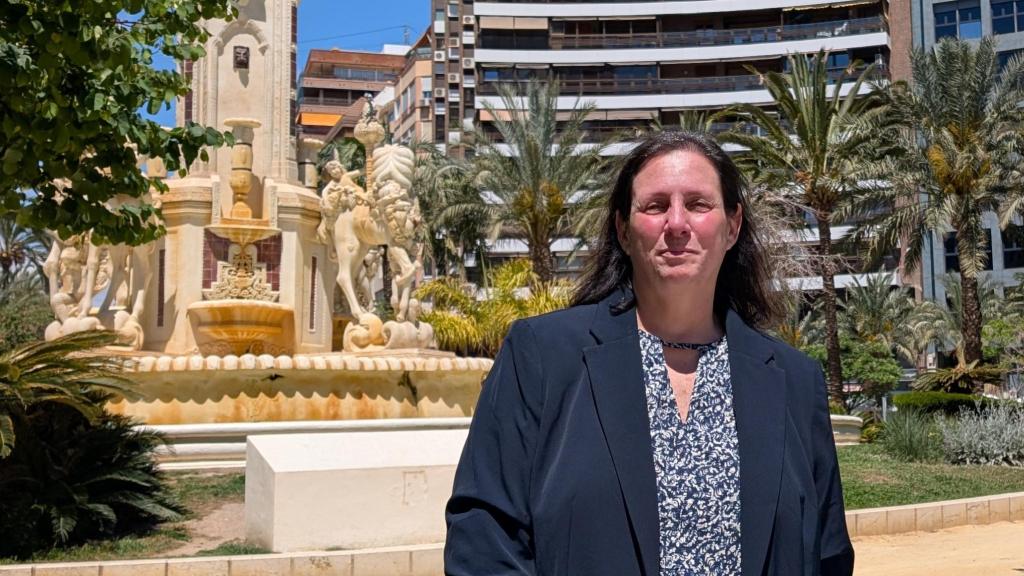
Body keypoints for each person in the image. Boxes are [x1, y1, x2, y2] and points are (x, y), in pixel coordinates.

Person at [444, 131, 854, 576]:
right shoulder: (543, 357)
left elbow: (827, 554)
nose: (677, 224)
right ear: (623, 228)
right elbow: (484, 539)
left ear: (732, 226)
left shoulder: (794, 379)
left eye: (698, 204)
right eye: (655, 205)